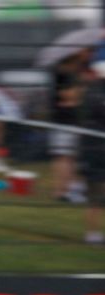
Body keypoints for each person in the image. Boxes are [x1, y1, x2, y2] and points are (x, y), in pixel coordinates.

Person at [50, 49, 92, 202]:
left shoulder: (73, 72)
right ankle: (63, 191)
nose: (89, 54)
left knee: (71, 157)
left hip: (72, 120)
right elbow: (68, 97)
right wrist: (84, 86)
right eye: (87, 51)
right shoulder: (64, 72)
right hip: (65, 121)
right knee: (65, 156)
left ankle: (67, 190)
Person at [78, 59, 105, 246]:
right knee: (95, 194)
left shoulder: (93, 92)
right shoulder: (93, 94)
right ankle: (92, 233)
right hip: (94, 149)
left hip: (95, 148)